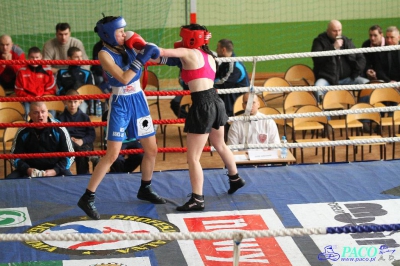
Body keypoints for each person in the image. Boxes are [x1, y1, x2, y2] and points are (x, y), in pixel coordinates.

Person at [77, 15, 165, 220]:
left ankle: (145, 187)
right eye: (120, 31)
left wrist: (147, 49)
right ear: (108, 34)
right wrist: (141, 58)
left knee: (151, 149)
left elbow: (154, 55)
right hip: (121, 105)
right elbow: (125, 78)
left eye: (124, 30)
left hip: (139, 101)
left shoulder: (129, 40)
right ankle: (87, 197)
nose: (124, 33)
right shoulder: (104, 54)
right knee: (112, 154)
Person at [158, 24, 245, 212]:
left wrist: (135, 44)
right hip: (216, 101)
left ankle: (197, 199)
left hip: (202, 105)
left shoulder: (187, 53)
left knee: (193, 157)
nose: (180, 40)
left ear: (189, 39)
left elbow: (160, 51)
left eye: (183, 37)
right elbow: (175, 52)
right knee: (220, 145)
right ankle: (235, 178)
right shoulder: (210, 54)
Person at [6, 102, 75, 179]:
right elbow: (14, 157)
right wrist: (27, 169)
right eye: (36, 113)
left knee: (71, 182)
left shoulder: (59, 128)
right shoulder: (23, 131)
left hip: (56, 169)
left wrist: (55, 170)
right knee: (8, 182)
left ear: (47, 113)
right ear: (30, 115)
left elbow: (70, 156)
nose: (40, 116)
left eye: (43, 112)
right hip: (29, 170)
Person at [311, 20, 369, 103]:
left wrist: (357, 71)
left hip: (348, 79)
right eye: (334, 31)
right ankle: (325, 115)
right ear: (328, 31)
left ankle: (360, 111)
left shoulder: (346, 41)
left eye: (339, 30)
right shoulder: (319, 41)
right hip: (328, 79)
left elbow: (361, 57)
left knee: (367, 84)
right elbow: (317, 59)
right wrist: (333, 48)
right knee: (318, 88)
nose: (337, 33)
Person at [57, 89, 97, 175]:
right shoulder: (60, 118)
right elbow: (59, 135)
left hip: (83, 143)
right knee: (79, 153)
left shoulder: (85, 117)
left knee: (81, 154)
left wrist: (82, 141)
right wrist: (69, 140)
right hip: (68, 144)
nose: (72, 104)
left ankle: (82, 177)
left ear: (80, 102)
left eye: (75, 101)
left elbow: (92, 135)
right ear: (65, 102)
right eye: (70, 101)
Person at [14, 46, 56, 117]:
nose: (35, 60)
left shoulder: (48, 70)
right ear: (28, 57)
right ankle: (28, 127)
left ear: (41, 57)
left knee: (52, 111)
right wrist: (31, 98)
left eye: (37, 57)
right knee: (27, 113)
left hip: (44, 99)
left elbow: (51, 89)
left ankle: (51, 127)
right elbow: (19, 90)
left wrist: (41, 98)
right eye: (32, 57)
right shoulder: (21, 71)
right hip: (28, 100)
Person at [214, 39, 249, 117]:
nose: (216, 50)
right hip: (230, 98)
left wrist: (207, 85)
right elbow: (216, 75)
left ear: (223, 50)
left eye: (217, 48)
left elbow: (224, 84)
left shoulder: (235, 66)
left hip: (237, 102)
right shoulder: (226, 62)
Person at [56, 46, 95, 114]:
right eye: (76, 57)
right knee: (62, 112)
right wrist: (66, 99)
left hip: (81, 102)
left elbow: (90, 89)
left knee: (81, 111)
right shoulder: (61, 72)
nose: (80, 59)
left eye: (81, 56)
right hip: (65, 101)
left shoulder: (87, 73)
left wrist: (81, 99)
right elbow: (58, 89)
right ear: (69, 58)